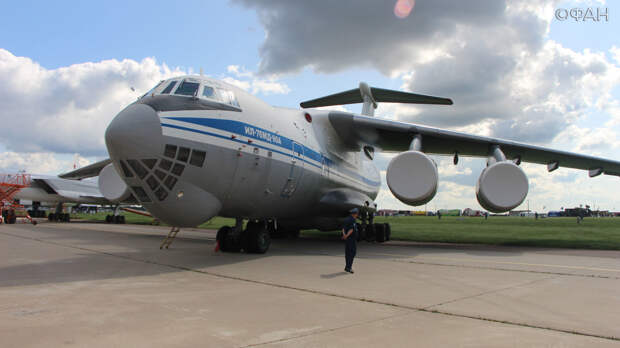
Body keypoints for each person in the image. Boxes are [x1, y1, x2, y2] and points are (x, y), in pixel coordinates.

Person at [342, 208, 359, 273]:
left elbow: (343, 229)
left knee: (347, 253)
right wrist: (346, 235)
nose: (357, 215)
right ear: (355, 214)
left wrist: (344, 235)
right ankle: (349, 267)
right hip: (351, 239)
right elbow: (351, 229)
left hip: (347, 239)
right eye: (357, 214)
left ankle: (347, 267)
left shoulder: (346, 219)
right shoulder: (353, 220)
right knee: (352, 253)